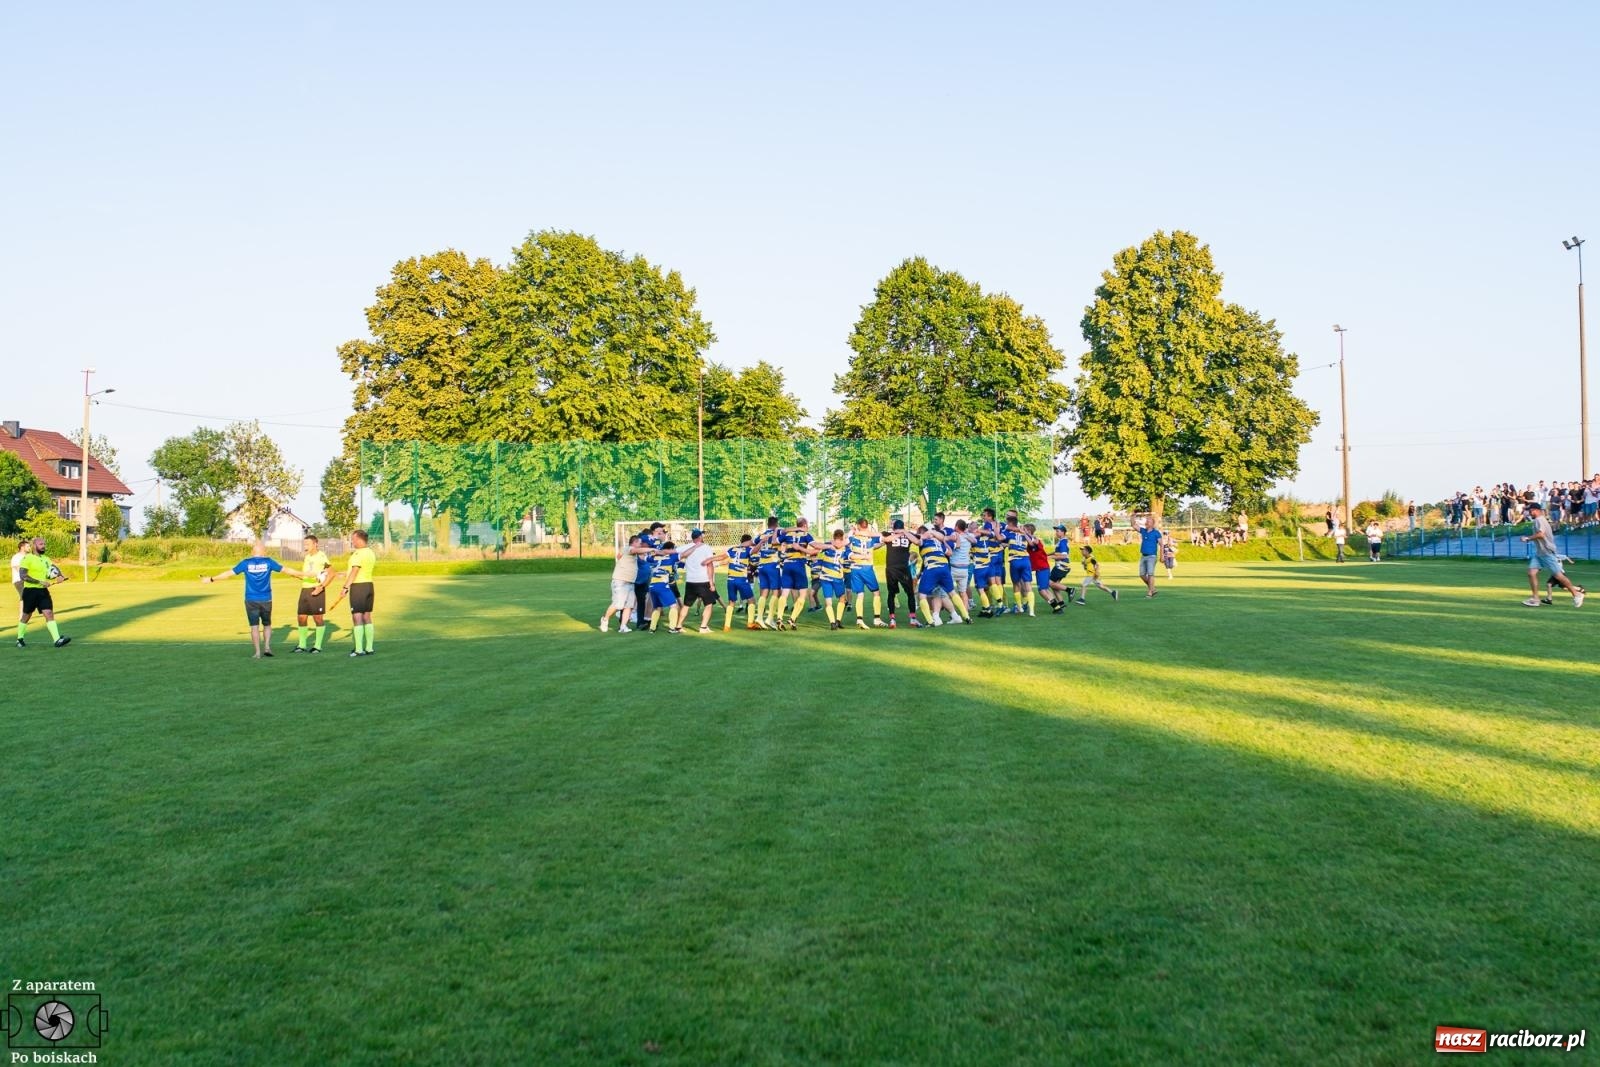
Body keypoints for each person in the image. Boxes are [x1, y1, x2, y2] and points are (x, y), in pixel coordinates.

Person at [201, 541, 309, 658]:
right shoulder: (268, 562)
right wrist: (305, 574)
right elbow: (286, 570)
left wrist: (211, 579)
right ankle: (267, 647)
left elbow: (228, 573)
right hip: (266, 599)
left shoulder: (246, 563)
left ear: (253, 552)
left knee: (254, 626)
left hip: (251, 599)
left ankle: (257, 652)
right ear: (264, 552)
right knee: (267, 625)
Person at [1521, 502, 1584, 608]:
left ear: (1536, 510)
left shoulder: (1539, 520)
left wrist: (1528, 538)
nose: (1529, 512)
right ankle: (1535, 599)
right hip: (1540, 553)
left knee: (1558, 576)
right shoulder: (1538, 520)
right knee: (1531, 573)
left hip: (1547, 552)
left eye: (1530, 510)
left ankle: (1577, 594)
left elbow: (1541, 534)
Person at [15, 537, 71, 648]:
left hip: (43, 592)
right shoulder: (27, 558)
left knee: (49, 613)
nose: (44, 546)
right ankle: (19, 639)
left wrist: (60, 576)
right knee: (26, 615)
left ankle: (57, 640)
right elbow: (23, 576)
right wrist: (40, 582)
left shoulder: (46, 558)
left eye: (44, 544)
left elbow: (54, 568)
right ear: (34, 546)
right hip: (30, 591)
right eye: (41, 544)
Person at [339, 529, 379, 657]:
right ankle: (369, 648)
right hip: (369, 586)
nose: (352, 541)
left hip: (358, 587)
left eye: (353, 539)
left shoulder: (358, 554)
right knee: (367, 616)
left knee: (357, 616)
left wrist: (345, 587)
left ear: (359, 539)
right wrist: (344, 574)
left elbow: (355, 571)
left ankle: (359, 649)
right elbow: (357, 570)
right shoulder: (370, 553)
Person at [291, 535, 334, 652]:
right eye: (305, 544)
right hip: (305, 589)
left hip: (316, 589)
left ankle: (317, 646)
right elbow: (308, 574)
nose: (306, 546)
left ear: (315, 544)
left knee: (317, 618)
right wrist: (297, 575)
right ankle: (302, 645)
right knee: (301, 617)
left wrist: (321, 587)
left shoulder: (322, 557)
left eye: (308, 544)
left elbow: (331, 574)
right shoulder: (307, 557)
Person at [601, 534, 647, 633]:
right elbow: (636, 550)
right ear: (634, 543)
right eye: (639, 543)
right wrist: (650, 549)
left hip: (630, 583)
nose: (641, 545)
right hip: (620, 581)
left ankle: (623, 626)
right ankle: (605, 619)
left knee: (629, 606)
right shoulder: (628, 548)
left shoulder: (630, 552)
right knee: (618, 605)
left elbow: (619, 556)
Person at [678, 529, 722, 633]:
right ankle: (703, 627)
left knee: (686, 605)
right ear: (700, 537)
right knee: (708, 604)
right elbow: (709, 564)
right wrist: (711, 583)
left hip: (690, 581)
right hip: (703, 581)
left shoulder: (686, 547)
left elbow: (674, 552)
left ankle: (679, 626)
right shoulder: (706, 547)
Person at [845, 518, 886, 629]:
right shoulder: (871, 538)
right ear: (867, 526)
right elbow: (882, 538)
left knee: (860, 594)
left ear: (858, 525)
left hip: (855, 568)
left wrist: (852, 531)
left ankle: (859, 619)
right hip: (867, 568)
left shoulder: (852, 537)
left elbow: (846, 542)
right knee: (876, 592)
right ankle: (877, 619)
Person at [809, 530, 852, 630]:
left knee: (828, 602)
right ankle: (838, 621)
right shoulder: (845, 548)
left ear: (833, 537)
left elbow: (816, 546)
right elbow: (852, 556)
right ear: (842, 538)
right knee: (842, 598)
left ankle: (833, 623)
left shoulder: (828, 545)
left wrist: (829, 544)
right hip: (837, 578)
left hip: (825, 578)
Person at [883, 519, 918, 628]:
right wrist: (904, 532)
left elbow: (884, 539)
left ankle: (892, 619)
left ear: (893, 527)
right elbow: (917, 541)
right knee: (910, 593)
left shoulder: (888, 534)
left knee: (891, 593)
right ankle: (912, 618)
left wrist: (901, 533)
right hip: (904, 568)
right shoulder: (908, 535)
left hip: (891, 568)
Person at [646, 540, 686, 633]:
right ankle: (672, 628)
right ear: (671, 549)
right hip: (663, 585)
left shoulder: (654, 558)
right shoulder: (672, 557)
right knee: (673, 605)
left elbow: (647, 558)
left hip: (652, 585)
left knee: (657, 608)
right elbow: (683, 554)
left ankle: (652, 628)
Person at [723, 534, 757, 632]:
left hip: (730, 580)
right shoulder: (747, 550)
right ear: (749, 541)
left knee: (731, 602)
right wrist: (761, 542)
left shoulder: (732, 549)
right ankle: (750, 623)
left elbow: (725, 558)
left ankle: (727, 626)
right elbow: (755, 551)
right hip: (741, 580)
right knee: (751, 600)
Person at [1046, 524, 1073, 613]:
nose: (1056, 532)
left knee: (1049, 583)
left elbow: (1064, 555)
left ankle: (1069, 590)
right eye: (1056, 531)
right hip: (1061, 566)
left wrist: (1051, 557)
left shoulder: (1063, 542)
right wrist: (1048, 554)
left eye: (1058, 531)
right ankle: (1061, 603)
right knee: (1055, 586)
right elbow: (1057, 551)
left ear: (1063, 532)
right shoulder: (1061, 541)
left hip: (1061, 566)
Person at [1137, 515, 1163, 597]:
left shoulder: (1156, 533)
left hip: (1152, 556)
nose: (1146, 522)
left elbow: (1161, 544)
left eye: (1148, 521)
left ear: (1152, 523)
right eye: (1146, 521)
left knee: (1150, 574)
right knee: (1142, 575)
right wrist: (1133, 516)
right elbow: (1134, 525)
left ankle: (1150, 592)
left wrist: (1162, 556)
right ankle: (1153, 589)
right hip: (1143, 556)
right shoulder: (1143, 531)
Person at [10, 536, 27, 605]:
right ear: (22, 547)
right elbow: (18, 569)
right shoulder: (16, 557)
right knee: (24, 597)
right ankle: (22, 615)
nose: (29, 547)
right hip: (19, 580)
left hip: (26, 580)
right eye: (28, 546)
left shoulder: (28, 557)